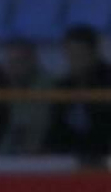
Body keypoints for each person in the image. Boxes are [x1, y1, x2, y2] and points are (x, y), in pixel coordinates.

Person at [45, 25, 111, 157]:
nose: (75, 59)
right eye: (71, 54)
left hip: (101, 153)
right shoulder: (63, 85)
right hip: (67, 154)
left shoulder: (107, 81)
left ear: (93, 52)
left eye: (80, 53)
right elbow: (56, 124)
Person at [0, 40, 52, 154]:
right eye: (10, 62)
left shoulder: (49, 88)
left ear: (32, 61)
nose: (13, 67)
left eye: (19, 61)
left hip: (44, 154)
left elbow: (38, 125)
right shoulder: (2, 88)